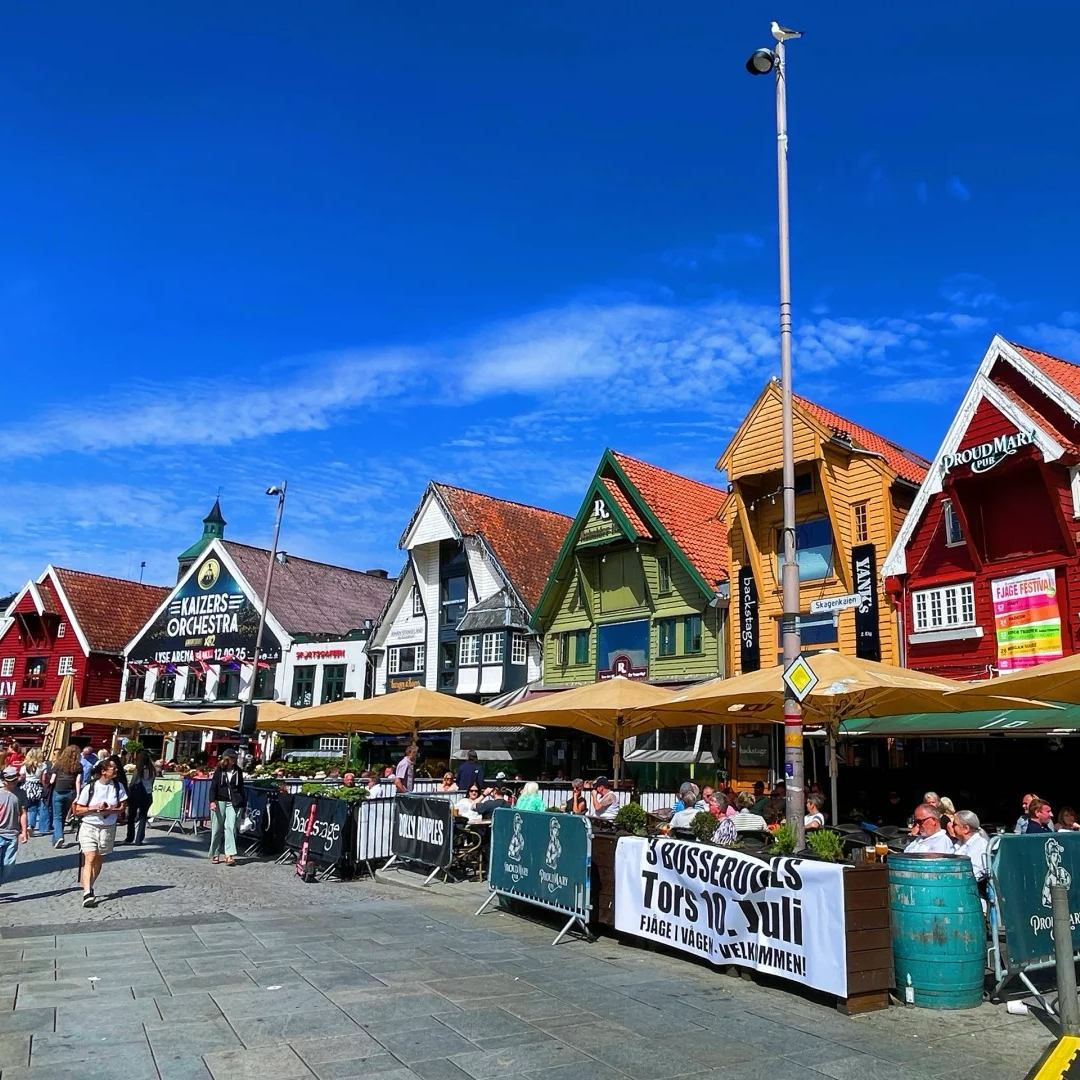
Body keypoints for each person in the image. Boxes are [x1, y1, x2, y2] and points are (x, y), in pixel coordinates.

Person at [73, 758, 127, 907]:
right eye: (113, 768)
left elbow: (123, 807)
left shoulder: (118, 786)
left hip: (107, 828)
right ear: (103, 771)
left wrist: (111, 810)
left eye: (116, 768)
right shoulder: (90, 787)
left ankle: (88, 883)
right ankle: (87, 892)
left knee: (98, 858)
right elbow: (77, 809)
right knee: (89, 857)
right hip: (89, 826)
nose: (116, 770)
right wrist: (95, 808)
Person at [208, 750, 246, 866]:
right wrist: (212, 801)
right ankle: (215, 853)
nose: (234, 760)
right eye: (232, 757)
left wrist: (243, 804)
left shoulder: (238, 771)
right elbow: (213, 786)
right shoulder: (219, 770)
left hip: (233, 802)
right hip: (219, 801)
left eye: (235, 757)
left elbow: (241, 787)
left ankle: (229, 855)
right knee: (217, 828)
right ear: (226, 758)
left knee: (230, 827)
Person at [0, 766, 28, 892]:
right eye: (9, 780)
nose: (12, 782)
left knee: (8, 864)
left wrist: (24, 831)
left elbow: (23, 813)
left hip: (12, 834)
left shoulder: (21, 793)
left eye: (14, 780)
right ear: (4, 780)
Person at [50, 745, 82, 849]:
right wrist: (78, 795)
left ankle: (59, 836)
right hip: (71, 792)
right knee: (63, 816)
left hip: (58, 791)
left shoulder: (58, 764)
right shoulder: (78, 766)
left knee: (57, 817)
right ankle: (55, 840)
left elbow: (52, 780)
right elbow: (78, 781)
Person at [124, 750, 156, 846]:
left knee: (131, 816)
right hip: (148, 794)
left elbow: (133, 782)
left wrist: (129, 791)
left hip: (137, 794)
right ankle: (139, 839)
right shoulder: (152, 770)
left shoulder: (138, 769)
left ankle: (130, 837)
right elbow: (152, 782)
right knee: (143, 817)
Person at [950, 810, 989, 882]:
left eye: (954, 824)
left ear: (966, 828)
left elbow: (974, 873)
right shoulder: (959, 844)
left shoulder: (979, 845)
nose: (951, 827)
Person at [19, 749, 47, 837]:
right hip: (36, 787)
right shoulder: (43, 766)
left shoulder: (24, 766)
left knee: (24, 808)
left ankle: (23, 826)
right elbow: (43, 779)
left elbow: (22, 776)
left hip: (26, 787)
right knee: (33, 807)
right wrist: (44, 787)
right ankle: (31, 825)